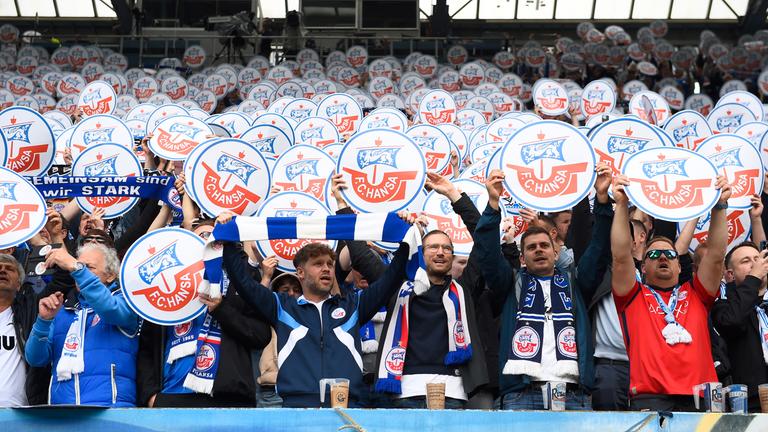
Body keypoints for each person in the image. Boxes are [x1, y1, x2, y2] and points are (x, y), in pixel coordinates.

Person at [218, 210, 416, 407]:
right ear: (300, 272)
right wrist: (228, 238)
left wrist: (405, 237)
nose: (326, 269)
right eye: (318, 264)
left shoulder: (353, 306)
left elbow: (391, 278)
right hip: (297, 410)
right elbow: (242, 281)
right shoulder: (281, 306)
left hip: (348, 408)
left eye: (330, 264)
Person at [474, 168, 610, 410]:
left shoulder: (574, 283)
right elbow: (487, 254)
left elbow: (599, 249)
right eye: (532, 247)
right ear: (522, 258)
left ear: (556, 253)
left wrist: (601, 200)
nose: (539, 250)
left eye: (544, 246)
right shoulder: (511, 284)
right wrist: (493, 203)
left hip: (573, 395)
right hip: (522, 394)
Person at [610, 174, 731, 411]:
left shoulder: (697, 293)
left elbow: (716, 256)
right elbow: (620, 256)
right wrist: (622, 205)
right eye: (653, 255)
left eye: (670, 254)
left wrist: (720, 206)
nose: (663, 257)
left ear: (679, 265)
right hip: (651, 398)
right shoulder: (631, 296)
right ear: (643, 268)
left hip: (702, 398)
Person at [24, 243, 141, 406]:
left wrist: (75, 266)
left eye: (89, 267)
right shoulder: (62, 310)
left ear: (110, 275)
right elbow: (35, 359)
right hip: (64, 412)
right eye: (79, 266)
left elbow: (108, 308)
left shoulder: (125, 301)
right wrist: (44, 321)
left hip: (111, 410)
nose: (79, 271)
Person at [711, 242, 768, 412]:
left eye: (758, 259)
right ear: (730, 275)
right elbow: (733, 321)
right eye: (746, 261)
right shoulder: (723, 307)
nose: (755, 264)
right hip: (751, 403)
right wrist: (754, 278)